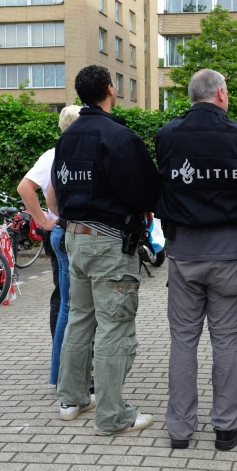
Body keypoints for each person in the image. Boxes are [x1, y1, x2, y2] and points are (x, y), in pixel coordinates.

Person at [52, 65, 160, 435]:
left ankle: (72, 398)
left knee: (81, 318)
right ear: (111, 89)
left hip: (74, 238)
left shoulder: (67, 137)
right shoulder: (117, 136)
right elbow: (145, 189)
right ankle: (113, 416)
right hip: (109, 242)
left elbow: (59, 187)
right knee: (115, 326)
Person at [156, 69, 237, 451]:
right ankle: (227, 426)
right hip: (231, 252)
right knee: (227, 342)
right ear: (220, 94)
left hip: (184, 252)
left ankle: (180, 429)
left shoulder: (167, 135)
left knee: (183, 341)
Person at [17, 107, 80, 384]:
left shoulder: (58, 153)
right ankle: (62, 356)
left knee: (65, 298)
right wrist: (44, 220)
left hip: (62, 228)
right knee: (64, 298)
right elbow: (25, 188)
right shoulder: (56, 155)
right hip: (62, 229)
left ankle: (63, 361)